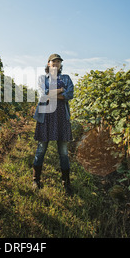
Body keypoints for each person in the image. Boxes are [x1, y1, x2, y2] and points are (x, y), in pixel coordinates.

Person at [32, 53, 74, 194]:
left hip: (61, 117)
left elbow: (71, 94)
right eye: (53, 61)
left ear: (61, 65)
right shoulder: (42, 78)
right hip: (46, 116)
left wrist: (54, 94)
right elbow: (44, 95)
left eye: (58, 62)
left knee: (63, 151)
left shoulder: (66, 78)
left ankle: (66, 182)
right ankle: (36, 179)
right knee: (41, 148)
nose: (56, 64)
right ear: (48, 64)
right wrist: (62, 90)